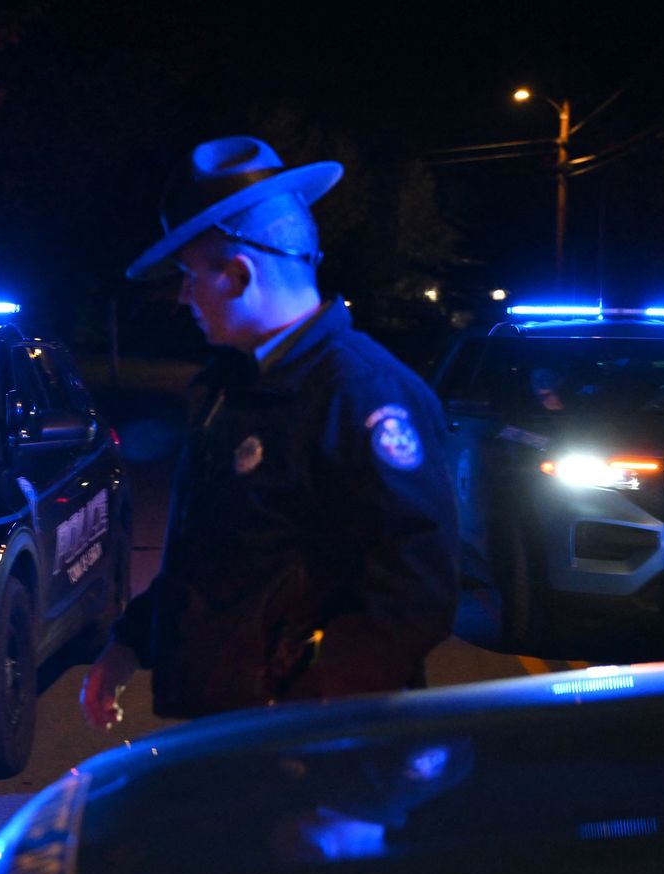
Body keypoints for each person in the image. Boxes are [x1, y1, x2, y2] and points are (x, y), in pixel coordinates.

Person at [80, 136, 458, 730]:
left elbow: (413, 592)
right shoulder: (233, 387)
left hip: (310, 751)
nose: (183, 297)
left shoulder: (362, 395)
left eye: (189, 276)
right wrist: (130, 644)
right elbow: (217, 556)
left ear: (239, 274)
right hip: (236, 733)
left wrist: (315, 744)